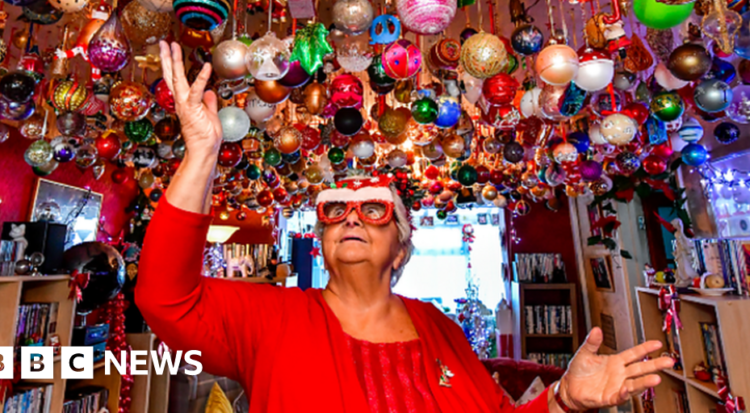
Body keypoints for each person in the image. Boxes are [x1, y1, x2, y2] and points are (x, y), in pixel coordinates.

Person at [136, 41, 674, 413]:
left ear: (401, 249)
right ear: (321, 244)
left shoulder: (439, 328)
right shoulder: (271, 317)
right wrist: (203, 155)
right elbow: (163, 298)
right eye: (335, 209)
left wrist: (562, 401)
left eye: (374, 210)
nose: (351, 214)